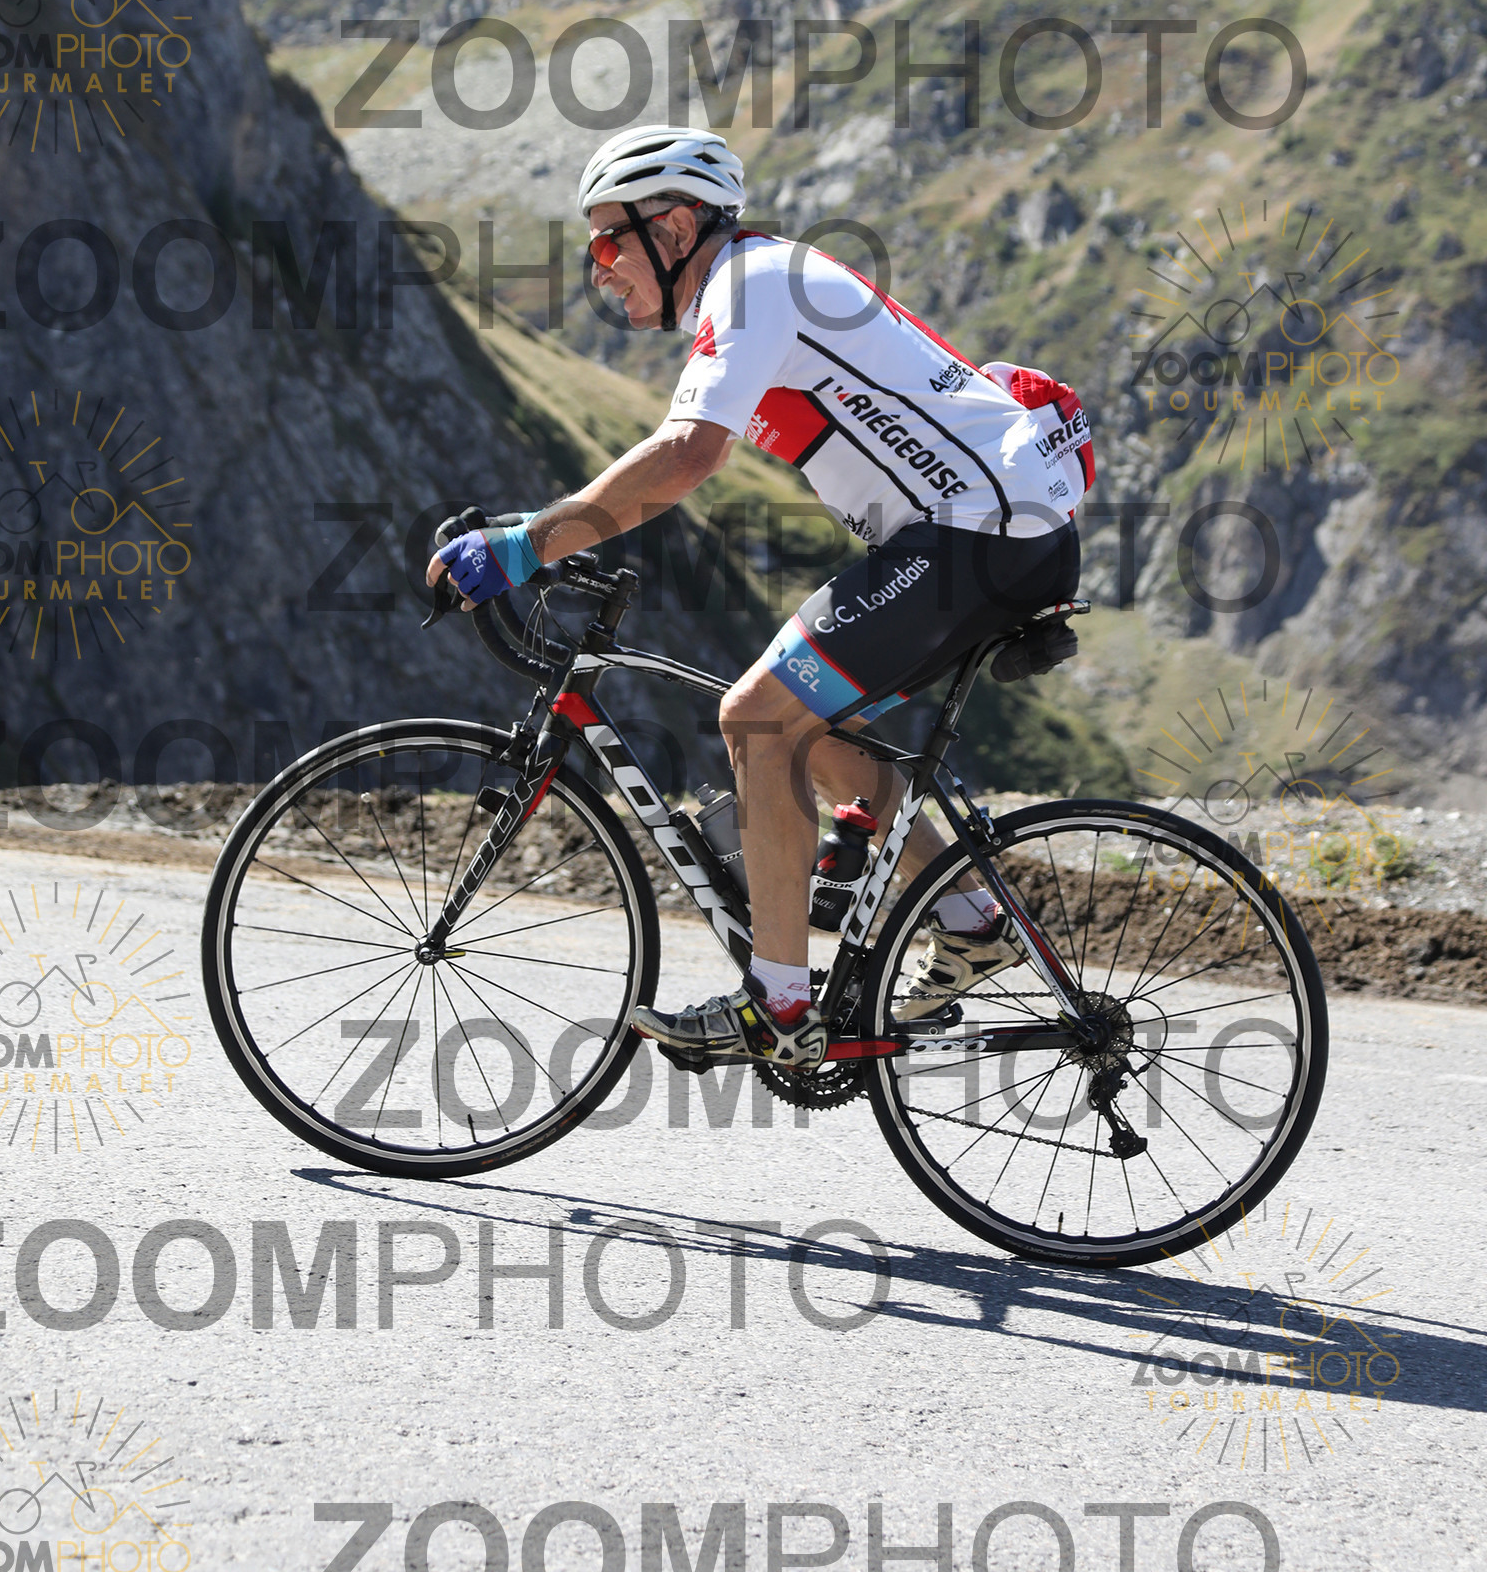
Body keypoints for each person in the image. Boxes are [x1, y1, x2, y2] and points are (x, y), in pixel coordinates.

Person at [428, 126, 1093, 1069]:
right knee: (808, 733)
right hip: (984, 536)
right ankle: (969, 920)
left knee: (758, 719)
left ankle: (778, 1007)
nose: (598, 267)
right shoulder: (753, 286)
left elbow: (686, 455)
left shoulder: (752, 284)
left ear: (676, 226)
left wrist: (527, 544)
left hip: (979, 535)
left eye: (609, 240)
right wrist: (544, 531)